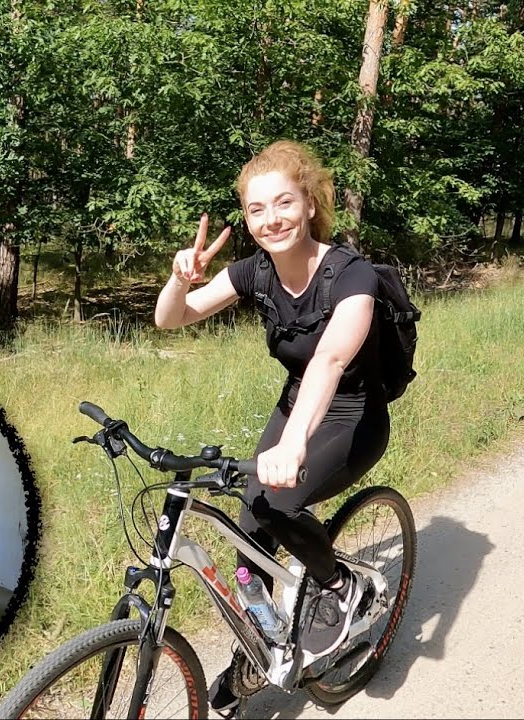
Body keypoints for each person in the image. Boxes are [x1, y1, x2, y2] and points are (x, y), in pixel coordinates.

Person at [153, 140, 391, 716]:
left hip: (353, 415)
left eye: (284, 203)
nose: (271, 219)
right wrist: (181, 279)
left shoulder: (351, 275)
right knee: (249, 538)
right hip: (295, 407)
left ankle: (341, 587)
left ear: (309, 203)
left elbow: (330, 359)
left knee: (280, 502)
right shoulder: (254, 272)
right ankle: (260, 655)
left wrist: (293, 444)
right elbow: (171, 319)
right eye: (256, 209)